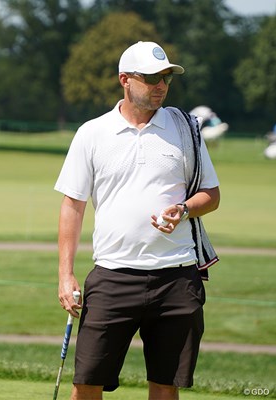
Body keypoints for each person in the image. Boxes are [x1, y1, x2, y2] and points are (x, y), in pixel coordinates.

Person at [55, 41, 220, 400]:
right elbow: (73, 206)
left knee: (165, 385)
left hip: (177, 276)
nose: (160, 85)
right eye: (150, 78)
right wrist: (65, 275)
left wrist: (185, 210)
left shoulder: (185, 129)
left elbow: (212, 194)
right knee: (86, 384)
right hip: (113, 275)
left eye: (165, 78)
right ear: (125, 80)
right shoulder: (92, 133)